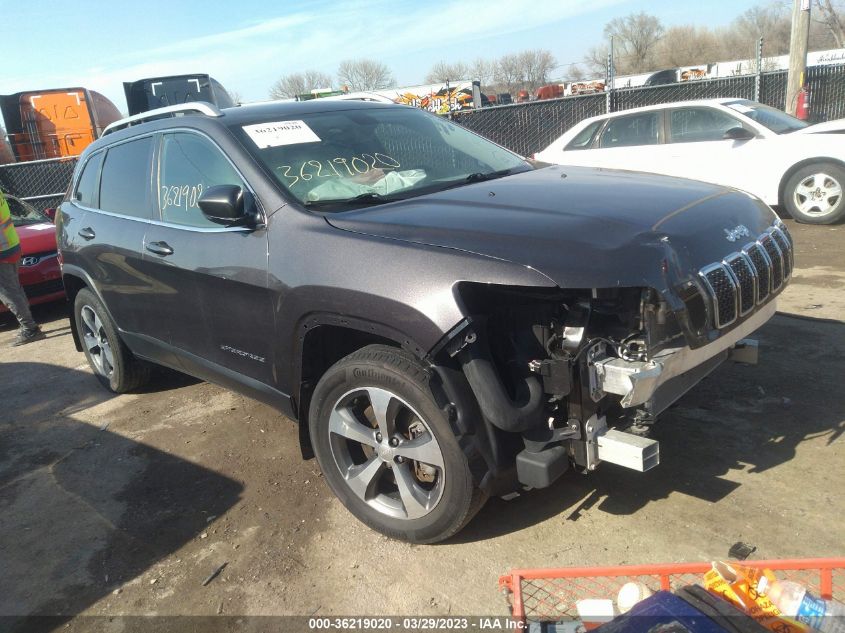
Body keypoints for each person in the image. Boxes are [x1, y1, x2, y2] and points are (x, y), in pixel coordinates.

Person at [0, 191, 45, 346]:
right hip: (11, 245)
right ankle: (28, 324)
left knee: (9, 293)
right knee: (15, 289)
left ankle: (30, 328)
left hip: (2, 251)